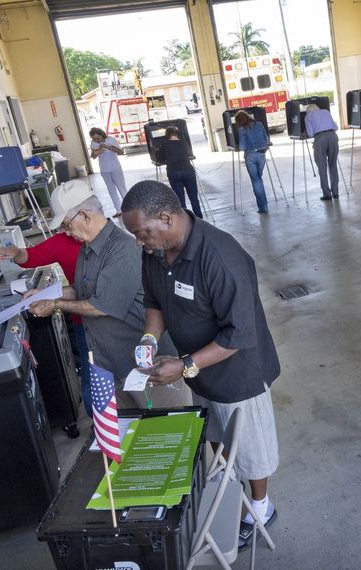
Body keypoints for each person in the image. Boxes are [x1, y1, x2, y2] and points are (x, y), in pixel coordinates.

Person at [121, 180, 281, 551]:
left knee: (252, 450)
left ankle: (260, 508)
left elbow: (239, 334)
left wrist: (183, 364)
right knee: (215, 436)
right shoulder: (155, 252)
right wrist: (148, 339)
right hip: (197, 369)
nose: (139, 242)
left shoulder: (220, 257)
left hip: (239, 373)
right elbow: (155, 301)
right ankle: (228, 494)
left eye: (142, 233)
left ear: (166, 218)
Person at [26, 180, 147, 408]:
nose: (66, 233)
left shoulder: (122, 249)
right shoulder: (87, 249)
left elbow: (100, 306)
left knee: (151, 428)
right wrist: (42, 294)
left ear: (85, 215)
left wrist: (55, 305)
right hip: (108, 359)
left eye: (66, 225)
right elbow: (79, 290)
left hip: (136, 363)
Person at [0, 228, 96, 416]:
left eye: (67, 223)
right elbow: (31, 257)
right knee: (92, 382)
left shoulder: (112, 245)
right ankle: (99, 428)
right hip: (85, 325)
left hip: (112, 324)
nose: (67, 229)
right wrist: (17, 253)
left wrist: (53, 302)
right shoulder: (62, 240)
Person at [161, 126, 203, 218]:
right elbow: (189, 153)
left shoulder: (165, 145)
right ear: (177, 133)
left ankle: (185, 220)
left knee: (180, 200)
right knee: (194, 198)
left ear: (167, 135)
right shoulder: (184, 143)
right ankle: (199, 219)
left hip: (173, 172)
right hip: (188, 170)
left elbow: (161, 158)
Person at [234, 110, 271, 214]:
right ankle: (264, 206)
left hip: (250, 156)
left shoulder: (242, 129)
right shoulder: (259, 125)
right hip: (262, 154)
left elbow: (242, 147)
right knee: (259, 179)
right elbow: (266, 139)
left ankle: (263, 207)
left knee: (256, 181)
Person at [304, 104, 340, 201]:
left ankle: (327, 194)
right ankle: (335, 192)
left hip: (320, 139)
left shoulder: (308, 116)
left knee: (322, 167)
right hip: (333, 136)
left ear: (308, 111)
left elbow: (310, 133)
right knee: (333, 165)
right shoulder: (326, 112)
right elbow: (336, 127)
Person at [89, 127, 127, 216]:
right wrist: (97, 151)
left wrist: (107, 147)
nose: (97, 141)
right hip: (104, 170)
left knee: (121, 188)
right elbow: (93, 156)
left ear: (102, 135)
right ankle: (118, 210)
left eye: (98, 138)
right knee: (111, 190)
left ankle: (128, 208)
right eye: (94, 139)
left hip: (115, 168)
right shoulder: (93, 143)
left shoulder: (111, 139)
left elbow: (120, 152)